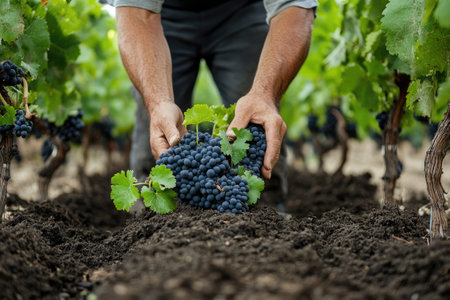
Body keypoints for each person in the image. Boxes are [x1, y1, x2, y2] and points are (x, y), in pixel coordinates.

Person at [104, 0, 317, 211]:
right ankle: (152, 223)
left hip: (242, 9)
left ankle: (266, 214)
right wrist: (158, 102)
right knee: (161, 139)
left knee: (255, 129)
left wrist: (265, 94)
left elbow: (294, 7)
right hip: (163, 13)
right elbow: (137, 13)